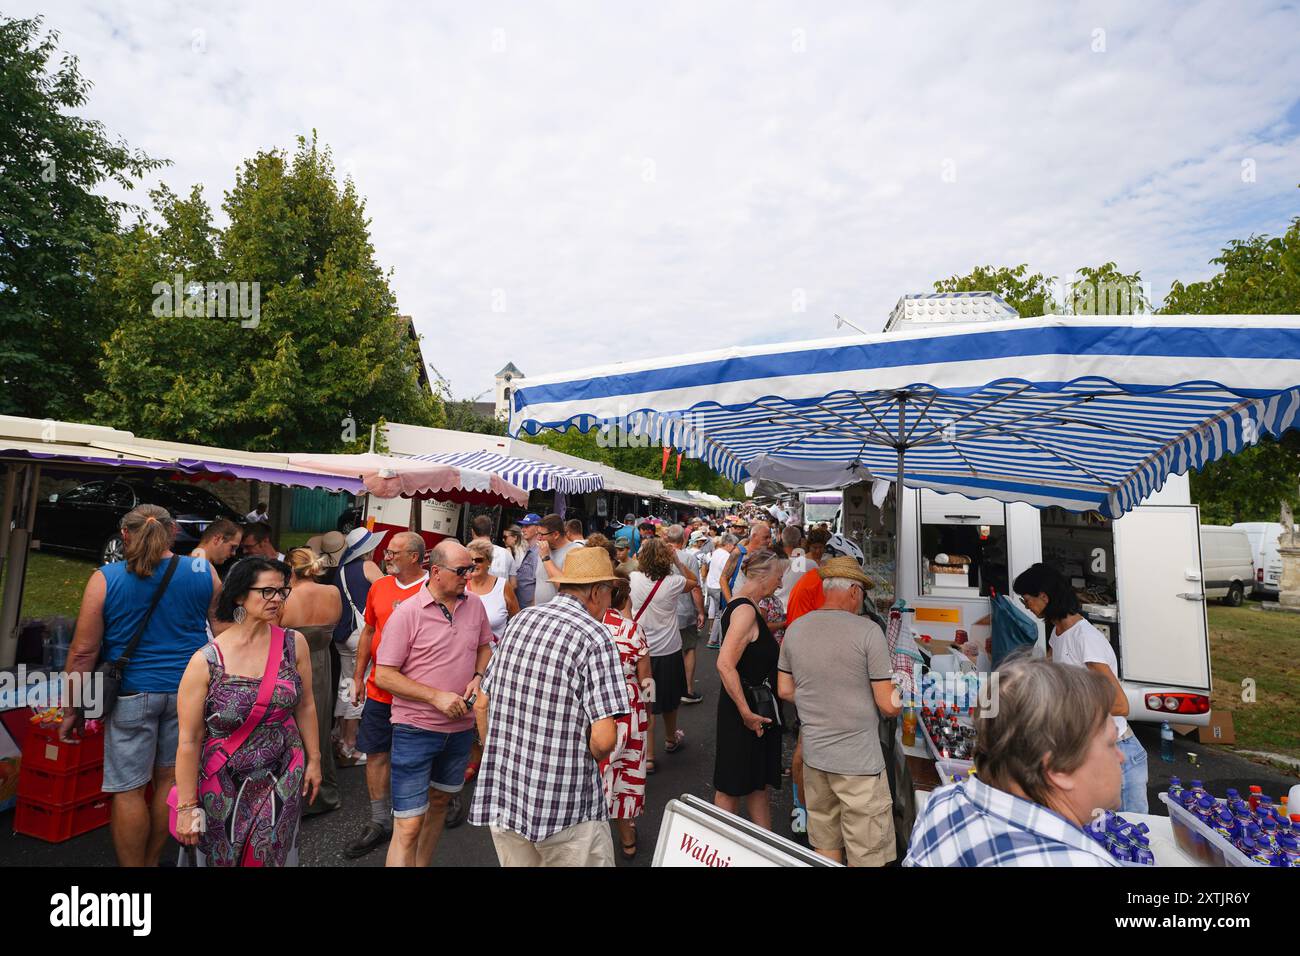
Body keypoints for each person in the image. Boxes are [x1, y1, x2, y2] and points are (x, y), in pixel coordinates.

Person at [60, 504, 221, 867]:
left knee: (129, 790)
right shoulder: (202, 569)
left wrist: (72, 708)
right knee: (169, 781)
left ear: (125, 535)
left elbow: (83, 652)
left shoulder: (106, 577)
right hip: (188, 692)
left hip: (131, 694)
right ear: (174, 531)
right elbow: (224, 628)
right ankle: (151, 861)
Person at [469, 547, 628, 866]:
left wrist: (496, 751)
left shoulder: (521, 620)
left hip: (506, 793)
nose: (611, 602)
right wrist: (587, 759)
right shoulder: (596, 636)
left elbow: (482, 704)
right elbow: (604, 739)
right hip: (566, 805)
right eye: (611, 592)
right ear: (597, 591)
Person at [905, 654, 1122, 866]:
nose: (1121, 757)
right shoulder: (1078, 862)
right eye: (1111, 743)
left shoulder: (941, 803)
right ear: (1058, 769)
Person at [173, 557, 321, 865]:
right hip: (223, 780)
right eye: (267, 591)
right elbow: (188, 740)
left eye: (282, 591)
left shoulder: (295, 644)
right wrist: (187, 808)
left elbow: (305, 704)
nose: (278, 599)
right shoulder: (206, 661)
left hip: (283, 772)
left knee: (270, 855)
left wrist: (314, 759)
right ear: (240, 595)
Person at [375, 540, 493, 867]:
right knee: (409, 823)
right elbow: (384, 675)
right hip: (416, 729)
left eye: (471, 569)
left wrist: (479, 675)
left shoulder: (474, 606)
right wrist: (435, 696)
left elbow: (485, 646)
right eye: (461, 570)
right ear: (436, 572)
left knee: (440, 803)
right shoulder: (407, 614)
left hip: (459, 731)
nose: (468, 576)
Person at [777, 557, 899, 865]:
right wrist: (906, 693)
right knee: (867, 852)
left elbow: (785, 690)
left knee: (826, 844)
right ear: (855, 591)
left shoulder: (796, 629)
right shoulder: (868, 631)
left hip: (817, 758)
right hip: (859, 763)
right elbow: (887, 704)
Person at [1013, 562, 1148, 814]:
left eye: (1027, 600)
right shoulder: (1058, 633)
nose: (1027, 607)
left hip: (1121, 754)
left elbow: (1120, 705)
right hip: (1091, 749)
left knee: (1129, 838)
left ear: (1044, 596)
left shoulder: (1085, 639)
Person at [343, 531, 428, 859]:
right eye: (387, 552)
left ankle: (436, 803)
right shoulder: (379, 587)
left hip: (419, 693)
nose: (386, 556)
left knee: (421, 754)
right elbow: (368, 632)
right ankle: (380, 821)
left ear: (415, 557)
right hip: (380, 689)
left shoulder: (431, 589)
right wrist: (358, 677)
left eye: (393, 553)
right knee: (377, 753)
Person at [713, 548, 784, 828]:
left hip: (753, 712)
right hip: (744, 713)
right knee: (731, 788)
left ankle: (765, 849)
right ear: (762, 575)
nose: (780, 583)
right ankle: (720, 851)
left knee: (757, 786)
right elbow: (724, 664)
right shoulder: (744, 610)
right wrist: (745, 712)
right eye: (778, 577)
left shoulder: (746, 605)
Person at [279, 548, 344, 815]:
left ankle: (293, 794)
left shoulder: (285, 598)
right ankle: (321, 791)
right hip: (322, 663)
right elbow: (337, 624)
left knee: (290, 727)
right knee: (319, 724)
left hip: (290, 665)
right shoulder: (333, 593)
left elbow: (272, 632)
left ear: (291, 570)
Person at [629, 538, 700, 771]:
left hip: (643, 653)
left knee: (648, 701)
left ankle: (648, 756)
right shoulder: (674, 582)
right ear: (665, 559)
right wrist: (678, 560)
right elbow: (695, 581)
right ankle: (670, 739)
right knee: (669, 702)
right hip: (668, 651)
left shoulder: (633, 579)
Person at [598, 571, 652, 860]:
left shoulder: (590, 626)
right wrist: (648, 712)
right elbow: (646, 680)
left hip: (595, 709)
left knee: (598, 771)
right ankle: (627, 835)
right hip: (629, 709)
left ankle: (595, 837)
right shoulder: (631, 629)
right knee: (626, 773)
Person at [332, 527, 384, 765]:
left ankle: (340, 737)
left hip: (342, 635)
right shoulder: (368, 567)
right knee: (357, 686)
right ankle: (350, 745)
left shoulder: (340, 570)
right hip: (360, 633)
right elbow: (386, 592)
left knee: (346, 684)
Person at [663, 524, 706, 704]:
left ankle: (665, 689)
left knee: (665, 651)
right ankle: (687, 689)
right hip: (685, 611)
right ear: (683, 540)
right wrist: (701, 612)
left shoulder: (659, 555)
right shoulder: (688, 558)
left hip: (663, 611)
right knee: (688, 649)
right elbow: (695, 588)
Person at [532, 513, 580, 606]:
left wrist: (546, 558)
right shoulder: (543, 549)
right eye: (538, 533)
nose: (538, 538)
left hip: (558, 614)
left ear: (556, 534)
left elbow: (565, 588)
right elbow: (539, 583)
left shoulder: (575, 551)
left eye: (542, 534)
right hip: (539, 612)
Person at [704, 533, 737, 648]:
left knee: (719, 614)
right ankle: (720, 641)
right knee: (723, 614)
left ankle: (713, 640)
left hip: (711, 586)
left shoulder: (717, 551)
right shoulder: (726, 555)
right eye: (733, 545)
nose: (734, 547)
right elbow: (727, 573)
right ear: (728, 544)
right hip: (719, 587)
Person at [470, 514, 516, 584]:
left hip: (472, 593)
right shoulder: (506, 554)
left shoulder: (467, 554)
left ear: (472, 532)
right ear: (491, 530)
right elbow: (513, 584)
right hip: (501, 593)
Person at [513, 513, 543, 608]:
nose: (523, 529)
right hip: (522, 605)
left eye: (527, 526)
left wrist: (532, 609)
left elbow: (539, 583)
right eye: (523, 526)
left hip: (528, 607)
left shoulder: (538, 551)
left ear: (538, 528)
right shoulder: (531, 549)